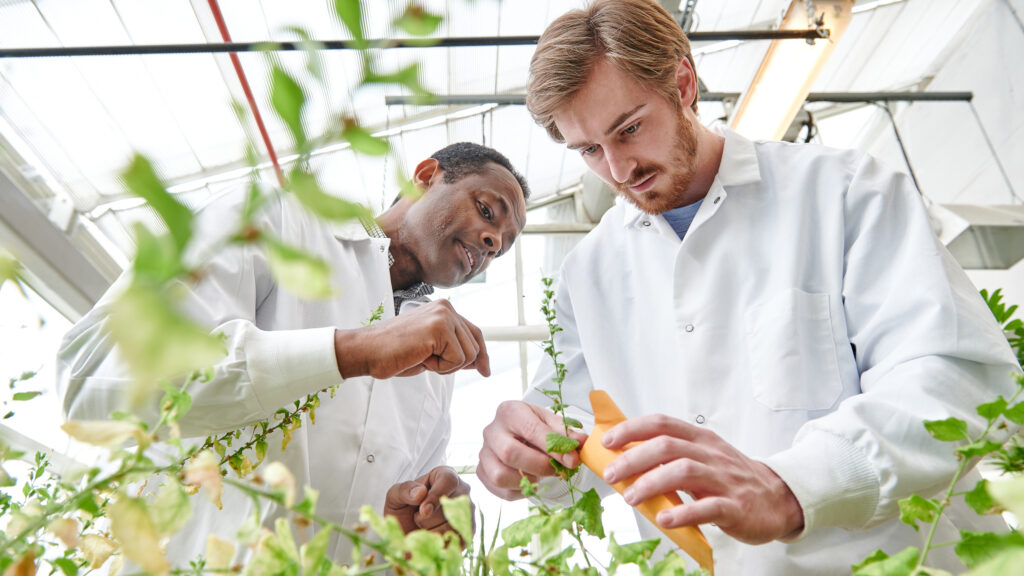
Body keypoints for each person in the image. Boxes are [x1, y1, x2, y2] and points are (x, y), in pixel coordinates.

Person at [475, 1, 1022, 574]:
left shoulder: (843, 192)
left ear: (683, 83)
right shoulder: (589, 272)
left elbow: (955, 381)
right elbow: (576, 436)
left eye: (629, 129)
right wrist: (523, 453)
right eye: (588, 150)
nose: (617, 169)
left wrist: (790, 487)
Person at [57, 142, 529, 565]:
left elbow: (383, 530)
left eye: (503, 247)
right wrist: (351, 351)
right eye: (488, 211)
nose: (492, 243)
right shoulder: (274, 222)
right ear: (425, 175)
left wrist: (415, 527)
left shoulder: (436, 371)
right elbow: (99, 377)